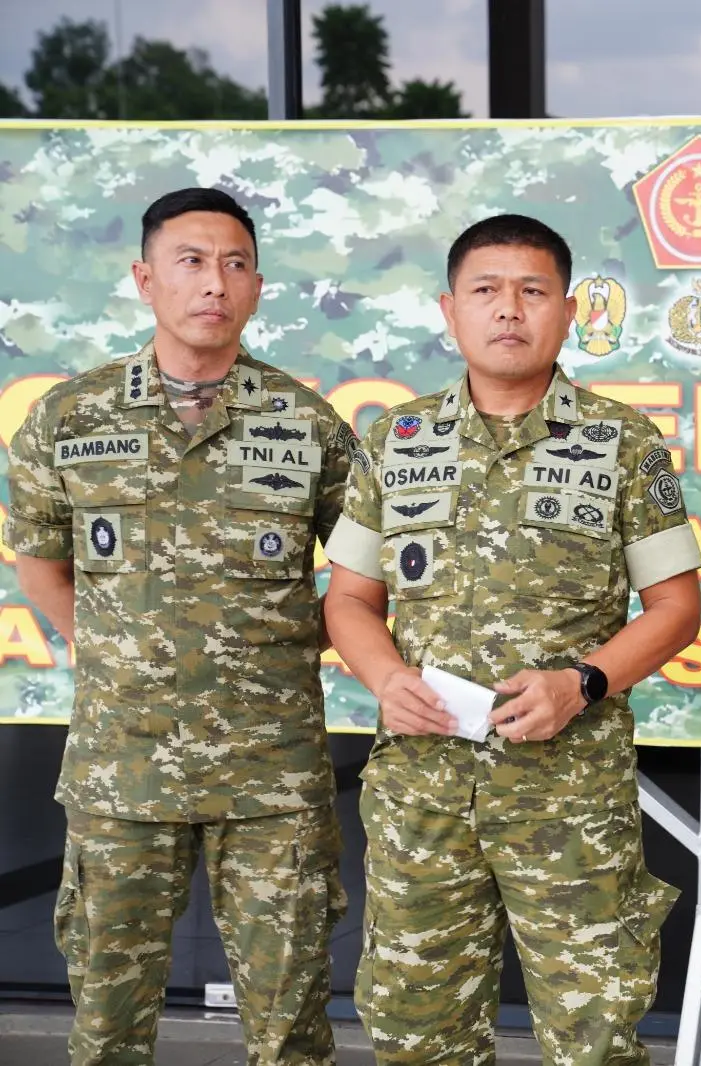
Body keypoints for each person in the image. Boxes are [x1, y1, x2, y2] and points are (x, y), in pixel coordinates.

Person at [322, 213, 701, 1065]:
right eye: (485, 291)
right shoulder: (396, 439)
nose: (509, 310)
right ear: (448, 311)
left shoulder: (621, 442)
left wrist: (586, 682)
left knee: (593, 1037)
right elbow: (348, 598)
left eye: (532, 292)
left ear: (567, 313)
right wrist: (386, 679)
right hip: (424, 796)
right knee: (418, 1039)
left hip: (569, 803)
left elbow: (677, 608)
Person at [5, 187, 353, 1065]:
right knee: (109, 1029)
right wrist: (106, 640)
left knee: (291, 1031)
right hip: (124, 769)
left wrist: (289, 641)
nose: (214, 284)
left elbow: (364, 571)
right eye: (191, 262)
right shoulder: (69, 415)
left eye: (234, 265)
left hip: (271, 772)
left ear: (258, 286)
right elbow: (38, 552)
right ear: (145, 278)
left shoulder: (307, 424)